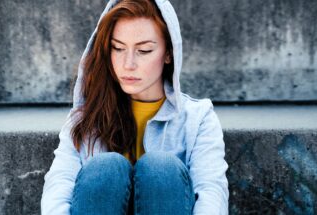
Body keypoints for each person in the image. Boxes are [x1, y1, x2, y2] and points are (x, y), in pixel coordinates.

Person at [41, 0, 229, 214]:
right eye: (118, 48)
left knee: (161, 168)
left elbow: (211, 191)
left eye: (144, 50)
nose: (128, 63)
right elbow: (59, 185)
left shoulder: (198, 117)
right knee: (105, 168)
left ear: (169, 53)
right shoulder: (86, 117)